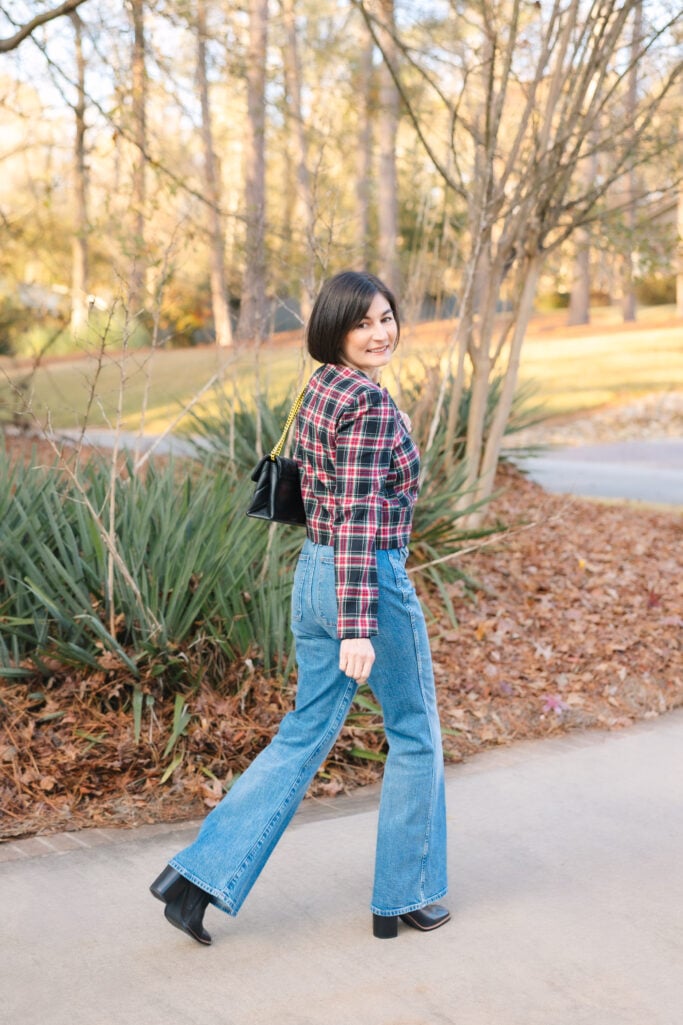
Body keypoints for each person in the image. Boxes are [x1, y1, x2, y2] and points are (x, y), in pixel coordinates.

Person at [150, 270, 449, 943]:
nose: (379, 332)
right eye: (362, 323)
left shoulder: (325, 386)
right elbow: (360, 516)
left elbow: (333, 490)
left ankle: (195, 878)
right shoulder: (368, 405)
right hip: (363, 580)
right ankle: (403, 896)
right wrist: (358, 626)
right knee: (414, 730)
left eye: (385, 317)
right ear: (335, 330)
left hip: (313, 572)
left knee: (304, 730)